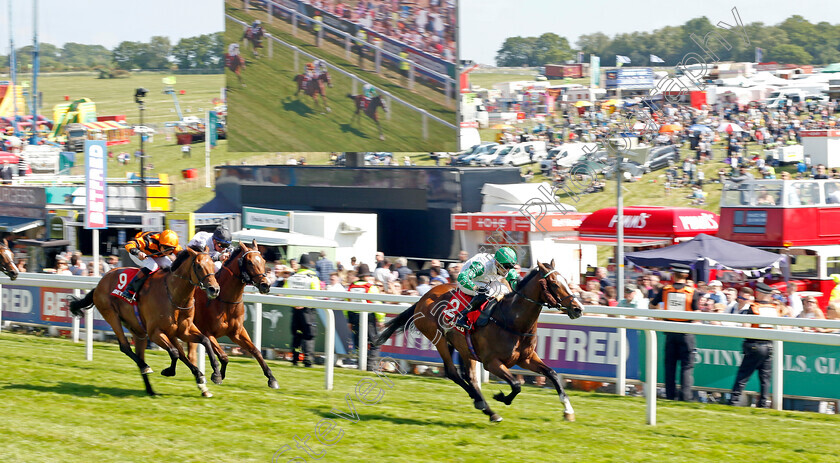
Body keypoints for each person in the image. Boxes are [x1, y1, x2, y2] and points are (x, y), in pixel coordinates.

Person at [650, 263, 702, 401]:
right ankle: (685, 396)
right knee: (686, 367)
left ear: (674, 275)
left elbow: (652, 305)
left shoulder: (665, 290)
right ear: (686, 276)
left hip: (670, 331)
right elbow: (697, 313)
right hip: (686, 333)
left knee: (670, 366)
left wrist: (659, 314)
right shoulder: (692, 292)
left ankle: (670, 395)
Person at [728, 282, 780, 408]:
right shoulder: (774, 309)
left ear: (761, 294)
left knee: (743, 375)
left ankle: (733, 401)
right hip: (769, 346)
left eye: (757, 292)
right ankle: (762, 404)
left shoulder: (753, 308)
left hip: (755, 345)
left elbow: (746, 327)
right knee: (765, 378)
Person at [454, 247, 519, 329]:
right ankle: (462, 317)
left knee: (505, 291)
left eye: (511, 266)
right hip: (469, 280)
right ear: (496, 263)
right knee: (485, 291)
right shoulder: (482, 266)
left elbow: (516, 289)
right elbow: (462, 277)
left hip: (487, 280)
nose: (508, 269)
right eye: (506, 266)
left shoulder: (509, 271)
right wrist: (475, 288)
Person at [122, 230, 182, 302]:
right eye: (165, 247)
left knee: (171, 267)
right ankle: (129, 290)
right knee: (152, 266)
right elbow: (129, 244)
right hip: (139, 254)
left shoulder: (174, 246)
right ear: (160, 244)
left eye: (170, 249)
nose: (167, 251)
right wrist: (138, 252)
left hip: (155, 255)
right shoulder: (148, 241)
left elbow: (183, 255)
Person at [284, 254, 320, 367]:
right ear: (309, 265)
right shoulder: (312, 277)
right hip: (307, 310)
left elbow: (285, 292)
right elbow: (317, 294)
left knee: (296, 334)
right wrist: (304, 303)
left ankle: (295, 358)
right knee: (309, 334)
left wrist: (295, 304)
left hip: (295, 309)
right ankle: (308, 359)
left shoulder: (292, 277)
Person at [346, 264, 383, 371]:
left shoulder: (351, 287)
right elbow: (378, 305)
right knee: (375, 343)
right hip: (368, 318)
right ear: (367, 275)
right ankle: (370, 366)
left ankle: (360, 364)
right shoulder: (371, 287)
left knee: (359, 343)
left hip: (354, 318)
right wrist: (380, 320)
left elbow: (346, 304)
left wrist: (349, 321)